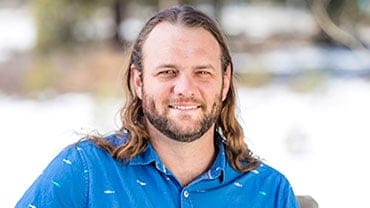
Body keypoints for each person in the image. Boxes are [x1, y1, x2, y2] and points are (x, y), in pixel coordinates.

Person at [16, 5, 299, 208]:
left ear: (225, 82)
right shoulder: (85, 172)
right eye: (167, 72)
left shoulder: (269, 192)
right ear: (138, 81)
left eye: (203, 72)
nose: (185, 89)